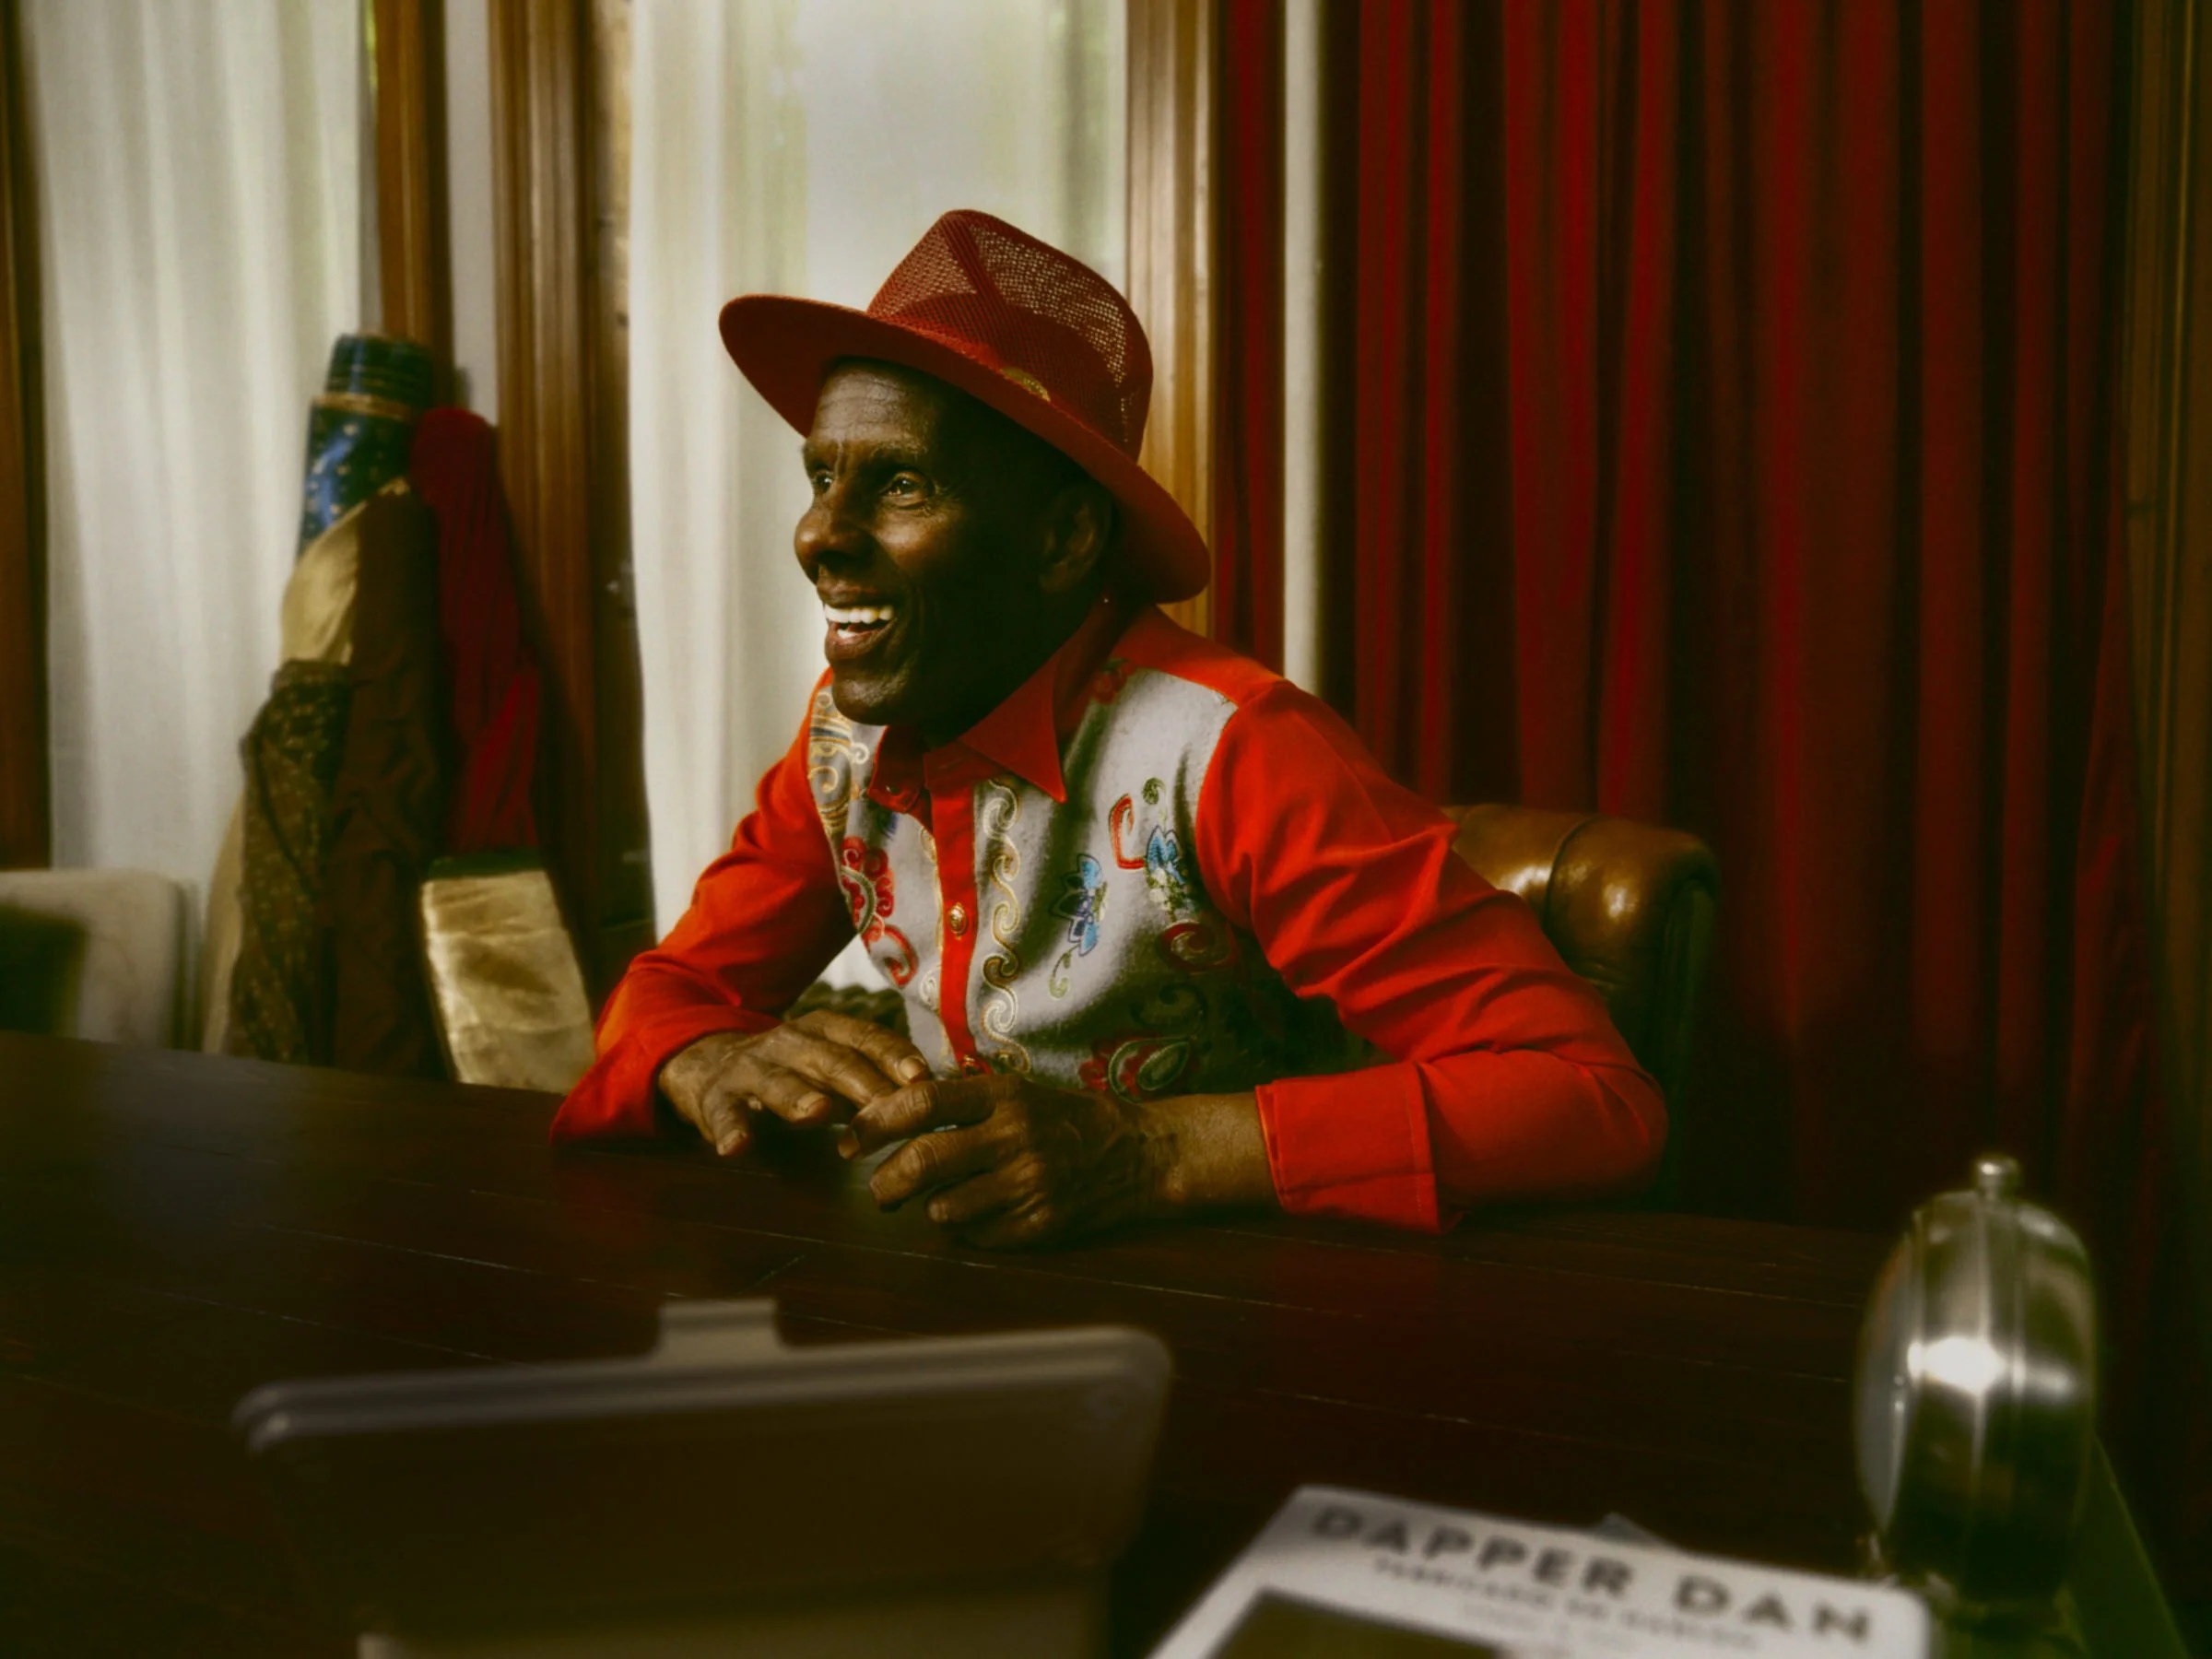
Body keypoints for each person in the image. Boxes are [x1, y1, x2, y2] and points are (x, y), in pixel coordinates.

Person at [552, 209, 1664, 1246]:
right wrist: (700, 1059)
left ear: (1064, 538)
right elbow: (670, 993)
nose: (818, 537)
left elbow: (1585, 1096)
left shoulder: (1234, 753)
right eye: (820, 478)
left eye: (898, 483)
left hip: (1273, 1335)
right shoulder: (842, 740)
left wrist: (1155, 1152)